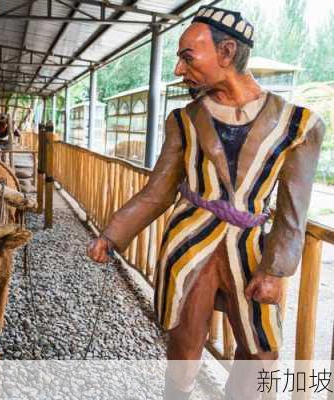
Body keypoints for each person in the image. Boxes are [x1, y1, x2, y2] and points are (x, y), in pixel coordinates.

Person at [87, 5, 325, 400]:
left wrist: (276, 270)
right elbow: (158, 191)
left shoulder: (300, 126)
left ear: (227, 53)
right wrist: (113, 235)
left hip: (252, 252)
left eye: (187, 57)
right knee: (183, 346)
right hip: (188, 245)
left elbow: (292, 211)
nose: (179, 70)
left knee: (261, 351)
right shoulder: (184, 120)